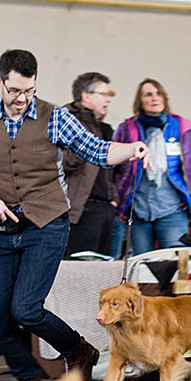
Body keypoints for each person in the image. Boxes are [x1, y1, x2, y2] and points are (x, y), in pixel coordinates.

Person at [0, 49, 151, 381]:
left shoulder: (55, 117)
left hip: (47, 223)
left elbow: (98, 151)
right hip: (4, 224)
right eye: (14, 90)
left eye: (28, 90)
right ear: (0, 82)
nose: (21, 98)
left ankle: (79, 350)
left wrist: (133, 148)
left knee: (26, 309)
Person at [112, 78, 191, 255]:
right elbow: (112, 167)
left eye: (158, 93)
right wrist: (118, 199)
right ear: (140, 101)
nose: (155, 98)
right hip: (137, 211)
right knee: (140, 266)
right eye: (148, 95)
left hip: (173, 211)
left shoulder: (184, 128)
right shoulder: (126, 129)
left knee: (175, 265)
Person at [63, 72, 118, 257]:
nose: (108, 100)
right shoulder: (66, 120)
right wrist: (85, 145)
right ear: (86, 96)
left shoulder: (103, 128)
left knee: (104, 269)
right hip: (80, 210)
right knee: (81, 270)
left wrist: (114, 197)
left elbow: (110, 172)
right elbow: (62, 162)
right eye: (103, 94)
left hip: (104, 208)